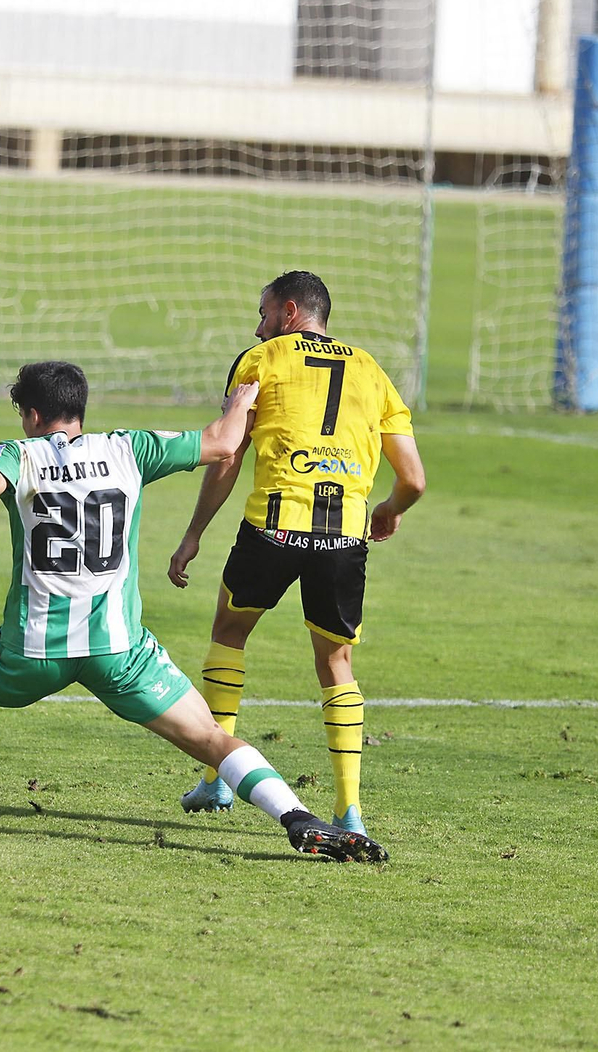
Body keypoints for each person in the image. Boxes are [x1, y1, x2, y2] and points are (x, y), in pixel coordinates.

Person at [0, 360, 386, 862]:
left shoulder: (18, 454)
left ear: (33, 415)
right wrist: (241, 402)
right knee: (211, 739)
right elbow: (224, 444)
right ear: (79, 410)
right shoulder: (130, 448)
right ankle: (297, 817)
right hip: (120, 651)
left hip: (32, 651)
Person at [166, 270, 426, 835]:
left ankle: (217, 777)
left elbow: (229, 452)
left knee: (229, 633)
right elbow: (415, 479)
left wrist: (194, 534)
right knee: (336, 664)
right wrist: (390, 509)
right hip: (344, 539)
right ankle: (350, 811)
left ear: (288, 313)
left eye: (262, 316)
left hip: (273, 532)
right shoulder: (373, 371)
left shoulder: (262, 361)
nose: (257, 329)